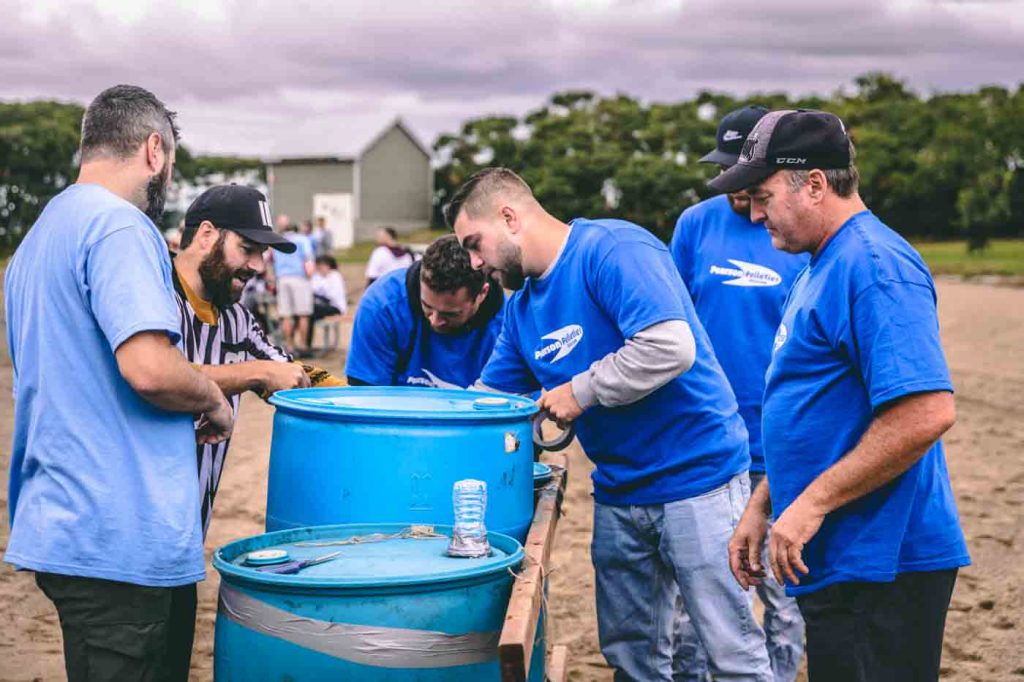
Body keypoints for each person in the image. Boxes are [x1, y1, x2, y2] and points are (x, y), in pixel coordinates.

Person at [447, 167, 773, 681]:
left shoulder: (612, 250)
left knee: (728, 653)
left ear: (509, 217)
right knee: (632, 658)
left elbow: (670, 347)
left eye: (474, 244)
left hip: (699, 482)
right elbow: (487, 402)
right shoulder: (522, 311)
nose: (474, 263)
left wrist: (579, 392)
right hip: (620, 494)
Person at [712, 110, 970, 682]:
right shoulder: (819, 264)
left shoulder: (873, 264)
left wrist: (811, 504)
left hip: (883, 561)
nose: (754, 215)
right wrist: (765, 503)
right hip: (840, 554)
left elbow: (926, 412)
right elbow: (825, 414)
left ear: (814, 184)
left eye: (763, 197)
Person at [3, 84, 233, 682]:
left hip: (66, 522)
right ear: (154, 150)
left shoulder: (39, 236)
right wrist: (213, 398)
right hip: (118, 532)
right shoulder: (119, 227)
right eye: (170, 162)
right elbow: (149, 368)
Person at [670, 105, 808, 681]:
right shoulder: (694, 225)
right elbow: (672, 324)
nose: (732, 183)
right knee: (701, 597)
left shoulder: (796, 232)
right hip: (705, 444)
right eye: (723, 168)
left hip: (775, 443)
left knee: (781, 592)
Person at [172, 184, 346, 535]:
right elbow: (155, 374)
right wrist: (253, 373)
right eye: (247, 249)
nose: (257, 265)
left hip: (189, 531)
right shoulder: (150, 298)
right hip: (127, 527)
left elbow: (289, 374)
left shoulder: (236, 317)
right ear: (206, 235)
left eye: (262, 253)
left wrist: (365, 401)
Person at [346, 234, 504, 389]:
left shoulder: (506, 324)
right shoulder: (382, 305)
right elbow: (365, 393)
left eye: (450, 314)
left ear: (482, 294)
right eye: (427, 306)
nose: (435, 321)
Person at [270, 222, 315, 355]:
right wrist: (310, 275)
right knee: (303, 314)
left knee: (286, 315)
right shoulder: (302, 239)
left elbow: (272, 261)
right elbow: (308, 258)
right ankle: (303, 346)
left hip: (282, 278)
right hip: (299, 277)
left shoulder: (278, 241)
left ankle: (289, 346)